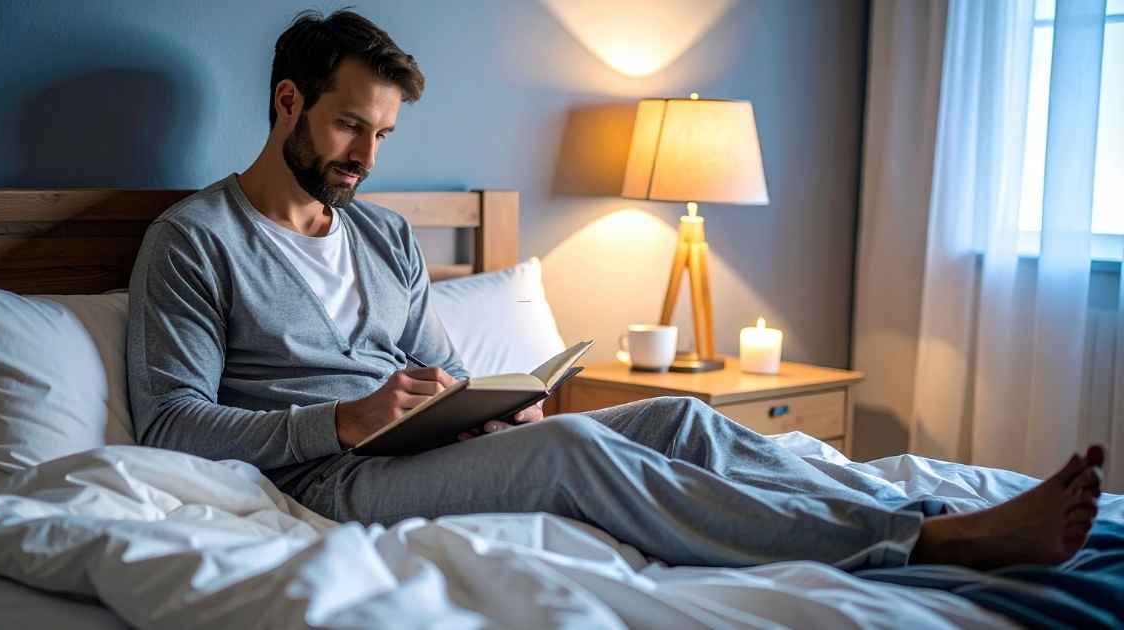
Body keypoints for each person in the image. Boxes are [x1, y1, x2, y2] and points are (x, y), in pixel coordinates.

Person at [126, 9, 1104, 571]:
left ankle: (925, 501)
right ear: (288, 103)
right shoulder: (195, 241)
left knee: (680, 416)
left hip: (422, 448)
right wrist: (340, 422)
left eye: (383, 134)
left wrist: (490, 405)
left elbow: (441, 366)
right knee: (577, 449)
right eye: (350, 127)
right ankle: (921, 541)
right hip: (331, 480)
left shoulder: (383, 234)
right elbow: (169, 424)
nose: (367, 157)